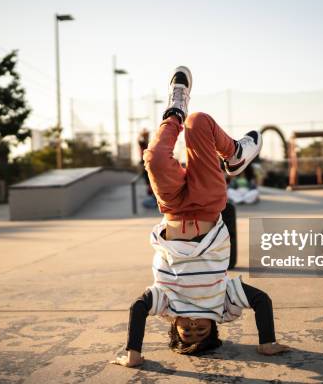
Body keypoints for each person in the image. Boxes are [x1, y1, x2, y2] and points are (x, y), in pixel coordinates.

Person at [112, 66, 289, 368]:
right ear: (213, 328)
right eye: (200, 331)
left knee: (154, 159)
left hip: (173, 209)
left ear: (174, 328)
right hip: (207, 206)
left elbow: (139, 307)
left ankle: (174, 110)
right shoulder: (222, 304)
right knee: (199, 122)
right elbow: (262, 301)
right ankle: (234, 154)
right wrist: (267, 342)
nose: (193, 325)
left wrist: (133, 351)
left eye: (186, 332)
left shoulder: (165, 303)